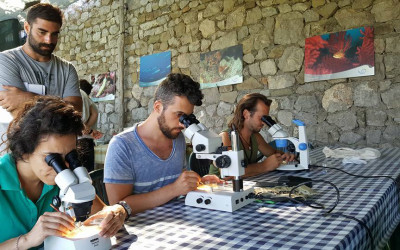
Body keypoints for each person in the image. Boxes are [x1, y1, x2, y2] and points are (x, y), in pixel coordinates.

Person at [0, 96, 127, 250]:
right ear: (25, 150)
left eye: (70, 156)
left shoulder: (66, 177)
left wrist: (118, 212)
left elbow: (103, 210)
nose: (65, 167)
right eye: (53, 159)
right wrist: (27, 240)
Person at [104, 73, 221, 214]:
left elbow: (178, 185)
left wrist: (197, 183)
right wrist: (173, 189)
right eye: (179, 115)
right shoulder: (122, 145)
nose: (183, 124)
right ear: (158, 107)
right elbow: (117, 207)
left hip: (177, 223)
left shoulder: (178, 139)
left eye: (187, 117)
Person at [0, 3, 82, 154]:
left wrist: (28, 98)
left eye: (54, 34)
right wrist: (63, 106)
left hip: (57, 157)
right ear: (27, 27)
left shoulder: (67, 68)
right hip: (15, 156)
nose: (48, 40)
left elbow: (76, 112)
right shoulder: (5, 61)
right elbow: (21, 117)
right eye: (42, 32)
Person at [209, 93, 295, 178]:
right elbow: (230, 174)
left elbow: (274, 154)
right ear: (246, 114)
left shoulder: (255, 137)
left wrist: (285, 156)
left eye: (266, 119)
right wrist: (264, 166)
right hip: (221, 188)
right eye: (261, 118)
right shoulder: (225, 137)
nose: (264, 123)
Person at [77, 79, 101, 172]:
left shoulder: (79, 94)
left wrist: (86, 128)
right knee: (88, 173)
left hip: (80, 140)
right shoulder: (87, 98)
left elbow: (78, 119)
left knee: (81, 174)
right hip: (86, 140)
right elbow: (94, 113)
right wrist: (89, 129)